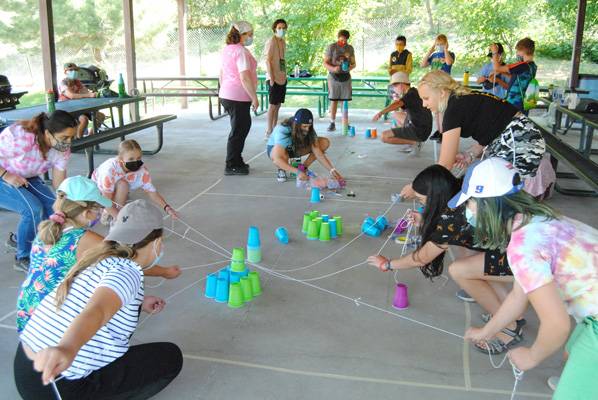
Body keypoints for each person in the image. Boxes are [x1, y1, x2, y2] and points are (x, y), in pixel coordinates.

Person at [14, 200, 184, 400]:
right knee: (169, 357)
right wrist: (67, 348)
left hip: (27, 366)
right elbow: (97, 310)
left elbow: (97, 299)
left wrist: (140, 303)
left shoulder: (99, 258)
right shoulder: (128, 272)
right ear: (157, 243)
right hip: (55, 383)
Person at [458, 158, 597, 400]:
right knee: (572, 351)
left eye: (470, 202)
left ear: (487, 205)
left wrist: (531, 356)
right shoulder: (539, 218)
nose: (468, 210)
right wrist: (487, 331)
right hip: (592, 314)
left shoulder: (523, 247)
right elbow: (518, 295)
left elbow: (557, 324)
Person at [367, 164, 525, 353]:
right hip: (517, 245)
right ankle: (511, 315)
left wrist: (387, 264)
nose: (423, 205)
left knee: (459, 271)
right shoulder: (462, 189)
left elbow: (421, 258)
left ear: (435, 197)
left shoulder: (452, 218)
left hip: (526, 257)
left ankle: (508, 329)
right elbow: (456, 226)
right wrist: (426, 219)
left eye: (422, 200)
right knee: (478, 264)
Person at [16, 176, 181, 333]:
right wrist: (165, 272)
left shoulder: (47, 229)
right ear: (87, 213)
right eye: (99, 209)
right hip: (51, 321)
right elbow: (126, 263)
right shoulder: (83, 239)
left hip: (28, 311)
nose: (100, 213)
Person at [399, 70, 546, 199]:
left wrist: (416, 187)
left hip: (520, 142)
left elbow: (444, 165)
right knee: (497, 194)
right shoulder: (461, 99)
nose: (424, 104)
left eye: (426, 98)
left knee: (504, 196)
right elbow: (492, 124)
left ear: (442, 92)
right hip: (521, 137)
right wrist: (470, 153)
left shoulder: (453, 109)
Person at [0, 111, 78, 272]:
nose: (68, 142)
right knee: (33, 209)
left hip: (26, 176)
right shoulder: (20, 137)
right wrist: (6, 175)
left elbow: (59, 182)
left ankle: (20, 239)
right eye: (64, 137)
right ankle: (23, 257)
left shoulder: (61, 149)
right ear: (48, 133)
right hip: (3, 176)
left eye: (72, 137)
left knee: (54, 207)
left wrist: (65, 200)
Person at [91, 139, 179, 222]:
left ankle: (117, 214)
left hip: (114, 188)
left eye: (139, 158)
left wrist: (167, 208)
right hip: (98, 194)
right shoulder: (109, 170)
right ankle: (109, 214)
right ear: (121, 159)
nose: (136, 162)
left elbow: (151, 192)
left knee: (123, 186)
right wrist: (121, 219)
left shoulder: (141, 170)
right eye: (131, 159)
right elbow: (105, 200)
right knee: (122, 185)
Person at [219, 21, 258, 175]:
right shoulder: (240, 51)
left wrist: (223, 91)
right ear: (242, 34)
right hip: (238, 96)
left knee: (240, 128)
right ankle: (231, 164)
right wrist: (254, 97)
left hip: (228, 94)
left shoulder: (227, 49)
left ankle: (237, 159)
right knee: (239, 130)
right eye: (250, 34)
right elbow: (244, 77)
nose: (251, 37)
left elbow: (221, 73)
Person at [267, 108, 344, 183]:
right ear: (296, 125)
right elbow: (277, 159)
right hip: (278, 151)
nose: (307, 129)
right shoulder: (282, 130)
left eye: (309, 126)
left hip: (294, 147)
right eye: (304, 126)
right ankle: (281, 169)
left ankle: (303, 168)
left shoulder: (308, 128)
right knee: (282, 156)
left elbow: (318, 152)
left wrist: (332, 170)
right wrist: (297, 173)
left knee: (324, 142)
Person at [372, 72, 432, 153]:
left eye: (394, 86)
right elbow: (400, 108)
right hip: (423, 126)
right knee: (396, 114)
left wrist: (381, 113)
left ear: (401, 84)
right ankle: (411, 139)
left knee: (384, 136)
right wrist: (398, 99)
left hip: (419, 130)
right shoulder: (412, 92)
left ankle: (415, 142)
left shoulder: (410, 94)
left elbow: (397, 104)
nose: (394, 89)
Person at [58, 63, 105, 138]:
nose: (74, 72)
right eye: (71, 70)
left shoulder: (77, 82)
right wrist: (88, 95)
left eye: (75, 70)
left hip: (80, 107)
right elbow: (71, 95)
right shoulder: (63, 83)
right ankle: (80, 140)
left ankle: (90, 138)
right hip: (68, 110)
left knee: (101, 116)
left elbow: (85, 91)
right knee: (84, 120)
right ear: (65, 72)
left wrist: (91, 93)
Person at [490, 38, 537, 113]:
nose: (517, 53)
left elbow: (497, 68)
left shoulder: (522, 65)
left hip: (514, 103)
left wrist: (494, 53)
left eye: (518, 51)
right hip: (524, 103)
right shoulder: (533, 66)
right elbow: (516, 79)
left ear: (523, 50)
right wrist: (502, 72)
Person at [323, 29, 356, 132]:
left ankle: (345, 123)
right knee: (334, 100)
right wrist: (333, 69)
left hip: (346, 77)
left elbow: (354, 63)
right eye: (341, 40)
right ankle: (332, 123)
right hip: (334, 77)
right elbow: (325, 63)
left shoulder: (350, 48)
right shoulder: (332, 47)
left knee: (344, 101)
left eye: (345, 40)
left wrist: (349, 67)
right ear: (338, 38)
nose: (343, 42)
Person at [264, 18, 288, 139]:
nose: (281, 30)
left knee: (278, 105)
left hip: (282, 77)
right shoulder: (271, 41)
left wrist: (284, 75)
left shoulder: (283, 42)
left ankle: (274, 129)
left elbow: (281, 60)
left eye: (283, 28)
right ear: (275, 29)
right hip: (273, 78)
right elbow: (267, 60)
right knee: (272, 105)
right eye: (279, 28)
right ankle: (268, 131)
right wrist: (272, 78)